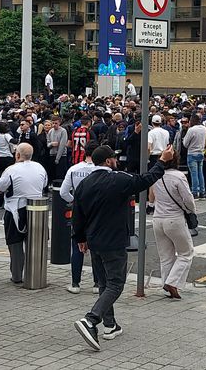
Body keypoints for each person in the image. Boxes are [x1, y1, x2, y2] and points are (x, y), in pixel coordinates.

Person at [73, 144, 174, 351]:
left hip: (94, 240)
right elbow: (145, 180)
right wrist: (162, 160)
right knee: (116, 283)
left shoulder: (84, 183)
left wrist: (80, 237)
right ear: (109, 160)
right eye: (114, 158)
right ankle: (91, 320)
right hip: (114, 240)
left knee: (104, 283)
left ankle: (110, 325)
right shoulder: (118, 179)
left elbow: (78, 213)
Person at [0, 143, 48, 284]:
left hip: (15, 209)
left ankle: (16, 275)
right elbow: (45, 184)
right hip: (38, 209)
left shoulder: (11, 170)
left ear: (17, 155)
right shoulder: (40, 167)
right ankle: (35, 272)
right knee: (36, 242)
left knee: (15, 244)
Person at [149, 155, 195, 299]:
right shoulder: (178, 176)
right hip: (174, 218)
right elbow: (187, 198)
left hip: (158, 218)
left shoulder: (155, 174)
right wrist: (191, 210)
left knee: (165, 257)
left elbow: (151, 199)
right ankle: (172, 282)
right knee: (186, 253)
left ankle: (166, 285)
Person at [60, 149, 105, 294]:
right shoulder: (101, 170)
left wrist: (75, 202)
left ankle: (75, 283)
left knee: (77, 247)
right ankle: (97, 284)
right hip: (97, 212)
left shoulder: (74, 169)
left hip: (79, 211)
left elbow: (63, 192)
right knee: (96, 248)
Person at [183, 114, 206, 199]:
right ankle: (202, 191)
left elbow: (185, 143)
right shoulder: (204, 128)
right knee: (200, 173)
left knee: (194, 174)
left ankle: (194, 192)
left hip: (192, 153)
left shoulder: (191, 130)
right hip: (201, 152)